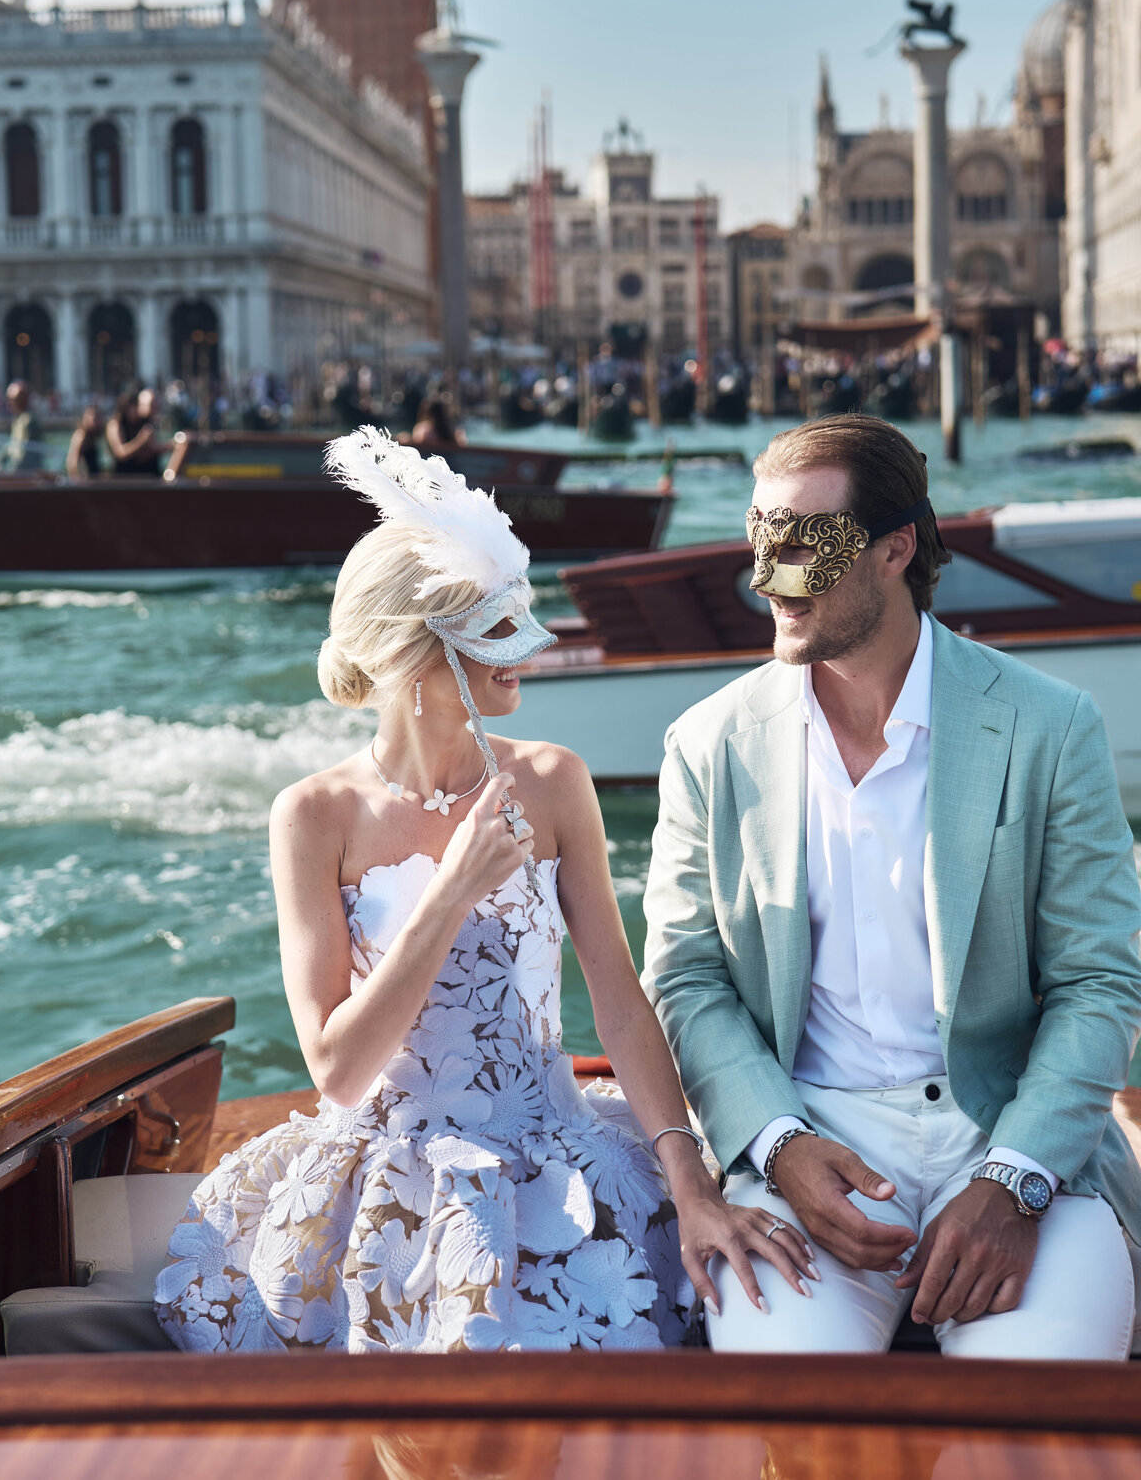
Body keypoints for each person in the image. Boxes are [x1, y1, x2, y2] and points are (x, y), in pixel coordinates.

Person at [154, 427, 813, 1354]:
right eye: (496, 628)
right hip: (389, 1178)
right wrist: (452, 889)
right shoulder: (311, 815)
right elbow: (336, 1069)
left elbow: (620, 1005)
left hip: (559, 1153)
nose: (529, 652)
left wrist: (692, 1184)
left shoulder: (555, 778)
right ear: (416, 652)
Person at [643, 413, 1141, 1360]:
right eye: (759, 540)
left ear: (895, 548)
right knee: (798, 1419)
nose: (767, 578)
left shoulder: (1050, 726)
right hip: (809, 1140)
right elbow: (687, 978)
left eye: (802, 548)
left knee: (1028, 1427)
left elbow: (1100, 983)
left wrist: (1016, 1178)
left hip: (1012, 1134)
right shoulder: (708, 742)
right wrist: (781, 1147)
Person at [106, 383, 165, 476]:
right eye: (134, 406)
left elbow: (151, 450)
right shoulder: (116, 424)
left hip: (147, 472)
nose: (138, 410)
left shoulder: (145, 422)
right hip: (124, 474)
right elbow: (120, 453)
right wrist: (141, 440)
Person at [1, 380, 46, 471]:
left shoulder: (28, 421)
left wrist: (12, 470)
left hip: (27, 474)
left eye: (13, 399)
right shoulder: (18, 421)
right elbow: (10, 450)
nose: (9, 403)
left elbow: (24, 453)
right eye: (8, 399)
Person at [65, 405, 104, 479]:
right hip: (85, 484)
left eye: (97, 416)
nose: (94, 418)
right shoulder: (81, 435)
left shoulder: (93, 436)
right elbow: (72, 463)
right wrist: (79, 484)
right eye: (91, 415)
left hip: (93, 482)